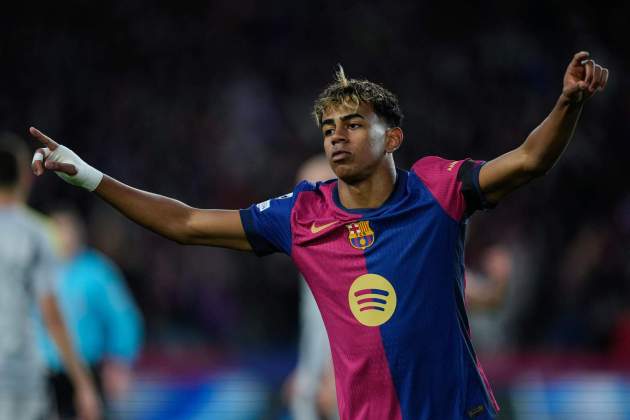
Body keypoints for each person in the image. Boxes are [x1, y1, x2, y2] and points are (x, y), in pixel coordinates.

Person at [30, 52, 608, 419]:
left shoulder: (439, 189)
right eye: (330, 128)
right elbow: (184, 223)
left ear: (393, 137)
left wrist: (567, 104)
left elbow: (530, 161)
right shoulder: (301, 215)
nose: (338, 138)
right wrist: (87, 175)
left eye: (355, 125)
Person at [0, 133, 101, 420]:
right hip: (22, 375)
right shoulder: (38, 234)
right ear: (25, 177)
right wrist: (83, 383)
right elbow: (52, 315)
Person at [38, 209, 143, 419]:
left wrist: (120, 360)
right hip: (41, 372)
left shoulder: (96, 272)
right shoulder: (37, 269)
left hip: (85, 369)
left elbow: (123, 318)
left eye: (65, 231)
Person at [283, 155, 339, 420]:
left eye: (315, 193)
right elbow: (318, 327)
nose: (304, 203)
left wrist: (336, 376)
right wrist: (306, 371)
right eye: (299, 192)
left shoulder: (353, 254)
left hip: (343, 387)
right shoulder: (312, 251)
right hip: (317, 383)